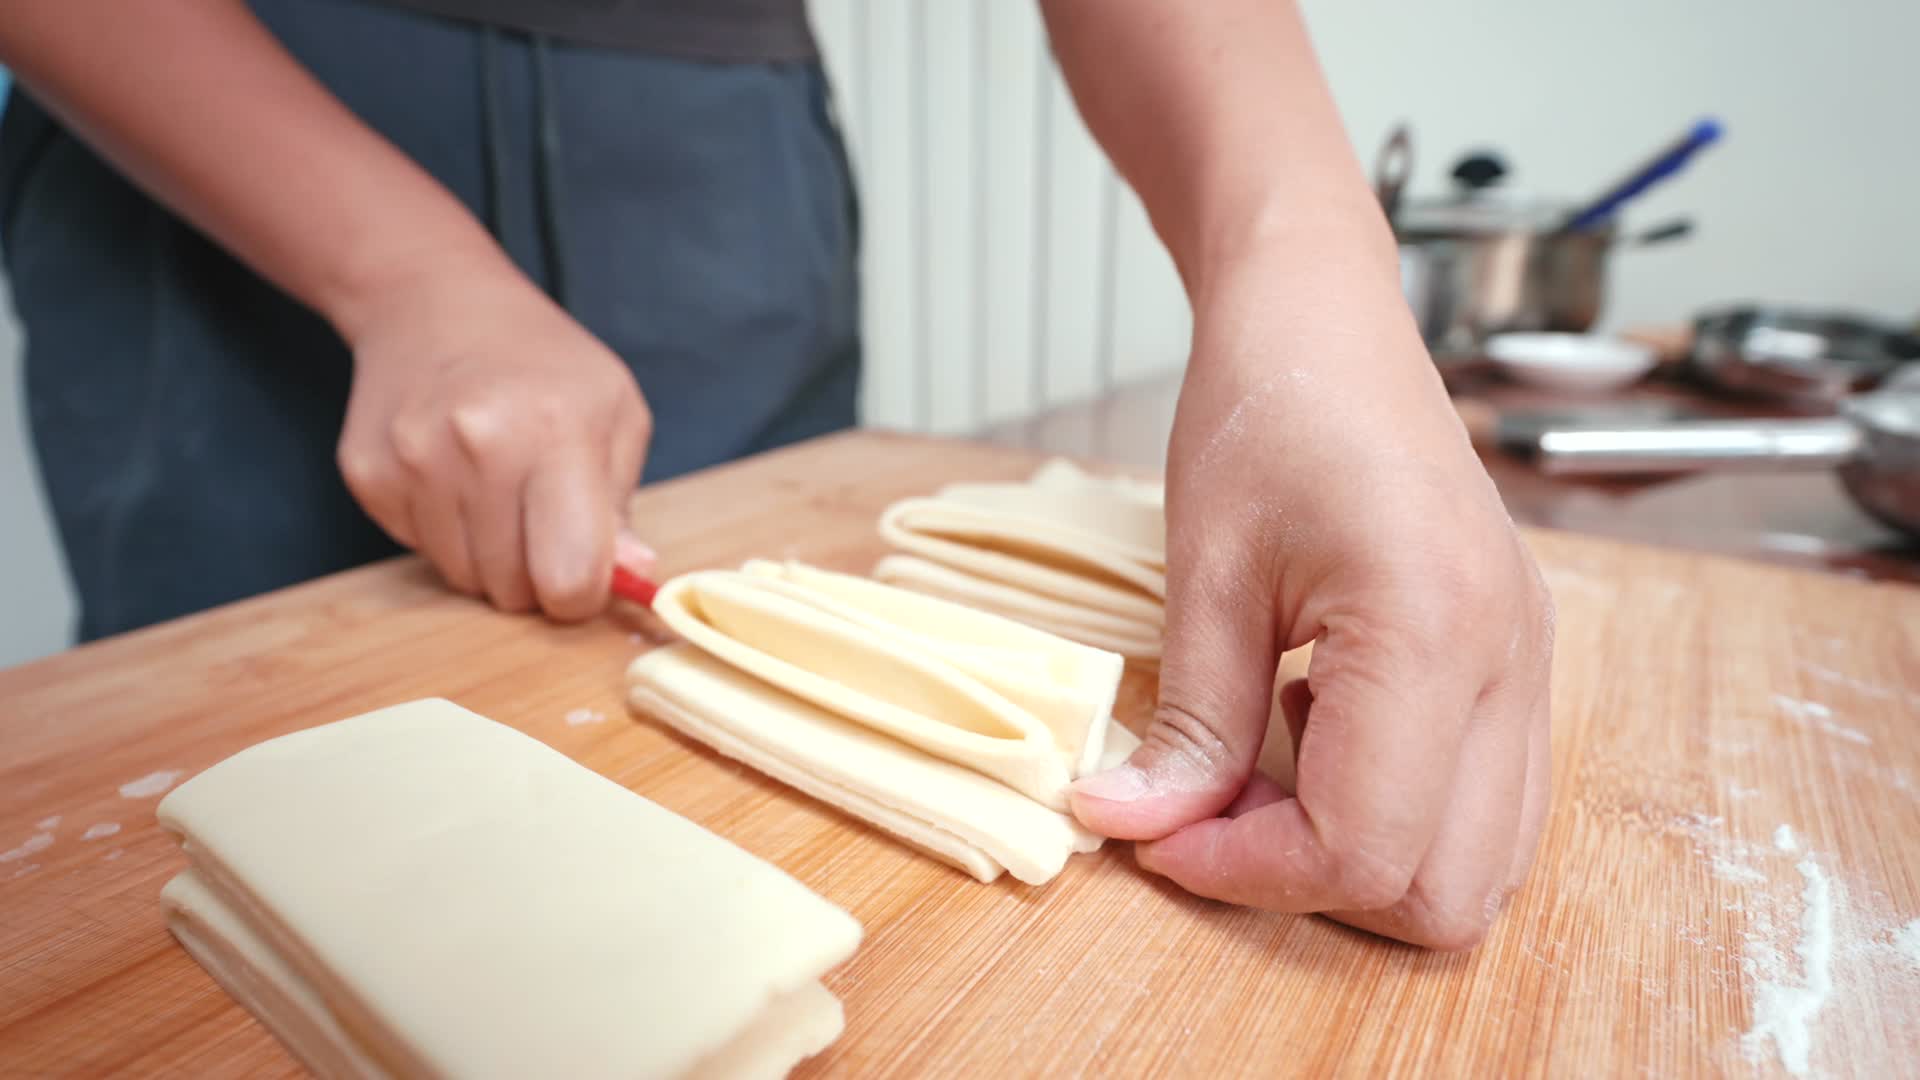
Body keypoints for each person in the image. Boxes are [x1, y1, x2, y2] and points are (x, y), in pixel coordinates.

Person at [0, 0, 1553, 949]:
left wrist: (1312, 274)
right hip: (224, 136)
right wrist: (398, 275)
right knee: (257, 789)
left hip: (717, 144)